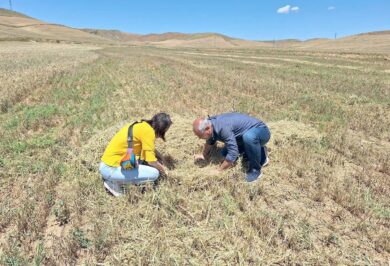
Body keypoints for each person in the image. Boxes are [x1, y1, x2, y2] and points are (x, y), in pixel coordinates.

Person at [99, 113, 172, 196]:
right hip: (110, 169)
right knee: (154, 173)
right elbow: (151, 161)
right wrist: (165, 170)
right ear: (162, 129)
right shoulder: (149, 133)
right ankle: (113, 183)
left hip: (107, 163)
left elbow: (149, 148)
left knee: (141, 160)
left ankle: (117, 178)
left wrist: (161, 157)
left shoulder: (142, 125)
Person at [193, 112, 270, 182]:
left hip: (261, 130)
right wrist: (204, 155)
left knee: (248, 137)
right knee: (224, 154)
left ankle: (255, 170)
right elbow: (210, 139)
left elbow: (233, 153)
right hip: (243, 135)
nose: (200, 138)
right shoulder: (211, 123)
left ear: (207, 129)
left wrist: (219, 171)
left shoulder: (222, 127)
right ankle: (259, 150)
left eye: (200, 136)